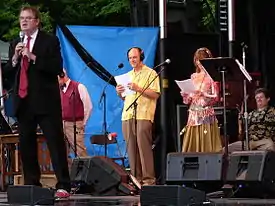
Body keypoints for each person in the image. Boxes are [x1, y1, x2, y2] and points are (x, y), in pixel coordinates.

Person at [4, 6, 70, 198]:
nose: (23, 21)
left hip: (45, 102)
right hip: (23, 101)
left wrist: (32, 57)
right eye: (21, 18)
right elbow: (8, 73)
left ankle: (63, 185)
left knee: (55, 143)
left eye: (28, 18)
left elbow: (56, 67)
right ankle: (32, 184)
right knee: (26, 144)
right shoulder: (15, 42)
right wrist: (15, 58)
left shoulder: (50, 41)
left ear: (36, 21)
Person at [115, 47, 160, 186]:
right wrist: (119, 92)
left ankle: (148, 180)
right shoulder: (127, 75)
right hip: (128, 114)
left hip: (144, 114)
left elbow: (156, 94)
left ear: (141, 56)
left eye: (134, 57)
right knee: (132, 150)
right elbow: (125, 98)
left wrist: (138, 88)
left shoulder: (151, 73)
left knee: (144, 148)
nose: (132, 60)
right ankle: (136, 180)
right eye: (130, 58)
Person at [181, 47, 222, 152]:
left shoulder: (212, 77)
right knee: (192, 143)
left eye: (201, 60)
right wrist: (186, 94)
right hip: (193, 113)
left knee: (206, 143)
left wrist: (204, 94)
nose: (198, 63)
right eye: (197, 60)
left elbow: (216, 97)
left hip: (206, 112)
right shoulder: (194, 76)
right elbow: (188, 100)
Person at [227, 88, 275, 153]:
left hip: (264, 141)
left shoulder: (272, 111)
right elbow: (241, 131)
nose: (259, 99)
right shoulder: (251, 114)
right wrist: (240, 121)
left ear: (268, 99)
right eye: (257, 98)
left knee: (271, 146)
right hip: (249, 142)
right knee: (226, 150)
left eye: (261, 97)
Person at [58, 69, 92, 157]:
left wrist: (82, 123)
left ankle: (85, 170)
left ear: (62, 75)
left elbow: (88, 107)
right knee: (62, 153)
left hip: (75, 124)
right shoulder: (58, 90)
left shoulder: (79, 87)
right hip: (61, 124)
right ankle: (68, 171)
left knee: (80, 151)